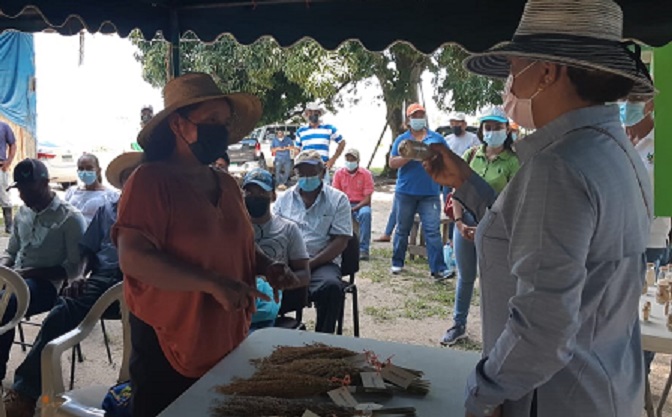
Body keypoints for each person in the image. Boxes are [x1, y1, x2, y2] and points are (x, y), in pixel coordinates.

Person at [423, 0, 654, 415]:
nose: (509, 83)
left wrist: (484, 392)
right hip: (606, 388)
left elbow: (542, 328)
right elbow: (538, 236)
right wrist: (466, 183)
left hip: (556, 397)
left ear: (546, 73)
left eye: (514, 66)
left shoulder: (558, 167)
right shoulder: (615, 152)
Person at [113, 73, 300, 417]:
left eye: (224, 122)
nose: (221, 130)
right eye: (210, 121)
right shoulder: (149, 181)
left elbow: (235, 246)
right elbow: (134, 259)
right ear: (178, 125)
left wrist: (267, 266)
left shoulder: (227, 184)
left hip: (225, 335)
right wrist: (212, 283)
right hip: (168, 337)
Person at [3, 152, 143, 417]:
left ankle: (143, 392)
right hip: (102, 277)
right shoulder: (108, 209)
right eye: (128, 179)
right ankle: (25, 389)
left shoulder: (157, 212)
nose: (134, 184)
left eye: (139, 178)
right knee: (60, 314)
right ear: (123, 184)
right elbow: (87, 253)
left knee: (150, 328)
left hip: (143, 279)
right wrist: (80, 277)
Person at [0, 159, 86, 386]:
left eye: (29, 188)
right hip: (18, 279)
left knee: (6, 303)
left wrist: (30, 273)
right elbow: (12, 251)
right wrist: (4, 268)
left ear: (46, 183)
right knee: (5, 296)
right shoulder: (23, 214)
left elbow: (74, 269)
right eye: (19, 188)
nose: (23, 194)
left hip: (48, 286)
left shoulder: (70, 219)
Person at [440, 107, 520, 347]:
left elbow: (513, 201)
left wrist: (488, 228)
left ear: (507, 130)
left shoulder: (514, 162)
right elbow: (457, 190)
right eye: (488, 127)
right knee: (465, 277)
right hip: (464, 224)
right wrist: (459, 222)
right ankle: (458, 324)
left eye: (497, 127)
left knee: (494, 281)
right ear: (482, 130)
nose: (492, 131)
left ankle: (500, 331)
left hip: (496, 231)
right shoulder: (471, 155)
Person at [620, 93, 672, 375]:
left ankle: (639, 377)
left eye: (636, 99)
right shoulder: (619, 140)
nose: (629, 105)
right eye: (626, 99)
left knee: (645, 310)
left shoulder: (664, 143)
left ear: (650, 103)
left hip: (650, 240)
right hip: (618, 238)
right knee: (618, 310)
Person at [274, 150, 352, 333]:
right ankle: (279, 337)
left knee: (331, 287)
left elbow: (341, 241)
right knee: (266, 286)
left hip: (322, 262)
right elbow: (275, 231)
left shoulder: (338, 200)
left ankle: (323, 340)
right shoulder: (284, 199)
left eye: (311, 172)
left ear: (323, 172)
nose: (306, 177)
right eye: (302, 173)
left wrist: (310, 264)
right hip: (289, 261)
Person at [241, 168, 310, 330]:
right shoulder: (234, 230)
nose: (255, 198)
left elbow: (304, 275)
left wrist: (280, 280)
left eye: (261, 193)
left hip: (267, 305)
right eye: (249, 193)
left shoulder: (288, 229)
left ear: (272, 196)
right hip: (238, 301)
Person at [389, 103, 451, 281]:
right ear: (408, 119)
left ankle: (439, 269)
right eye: (414, 115)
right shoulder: (402, 139)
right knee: (402, 229)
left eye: (421, 115)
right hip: (406, 192)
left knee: (432, 230)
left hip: (430, 192)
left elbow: (448, 158)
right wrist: (409, 155)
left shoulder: (436, 138)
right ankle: (397, 262)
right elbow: (392, 163)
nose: (418, 118)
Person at [332, 149, 374, 260]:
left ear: (358, 161)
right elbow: (336, 194)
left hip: (361, 204)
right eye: (348, 159)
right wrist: (345, 207)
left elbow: (367, 199)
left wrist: (355, 208)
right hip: (343, 203)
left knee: (366, 214)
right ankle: (337, 248)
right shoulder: (339, 174)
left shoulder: (366, 174)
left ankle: (363, 249)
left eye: (352, 159)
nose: (350, 162)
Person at [295, 103, 346, 184]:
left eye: (315, 112)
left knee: (324, 193)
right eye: (310, 112)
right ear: (307, 114)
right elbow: (297, 149)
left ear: (319, 113)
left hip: (322, 168)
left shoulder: (329, 128)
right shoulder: (301, 131)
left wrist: (332, 160)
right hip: (306, 168)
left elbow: (342, 142)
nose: (313, 114)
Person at [64, 153, 118, 224]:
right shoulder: (72, 192)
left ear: (98, 171)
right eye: (81, 169)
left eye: (89, 168)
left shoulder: (110, 196)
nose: (85, 172)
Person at [0, 120, 17, 233]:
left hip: (1, 167)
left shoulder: (4, 127)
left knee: (5, 196)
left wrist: (8, 162)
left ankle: (9, 225)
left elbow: (13, 144)